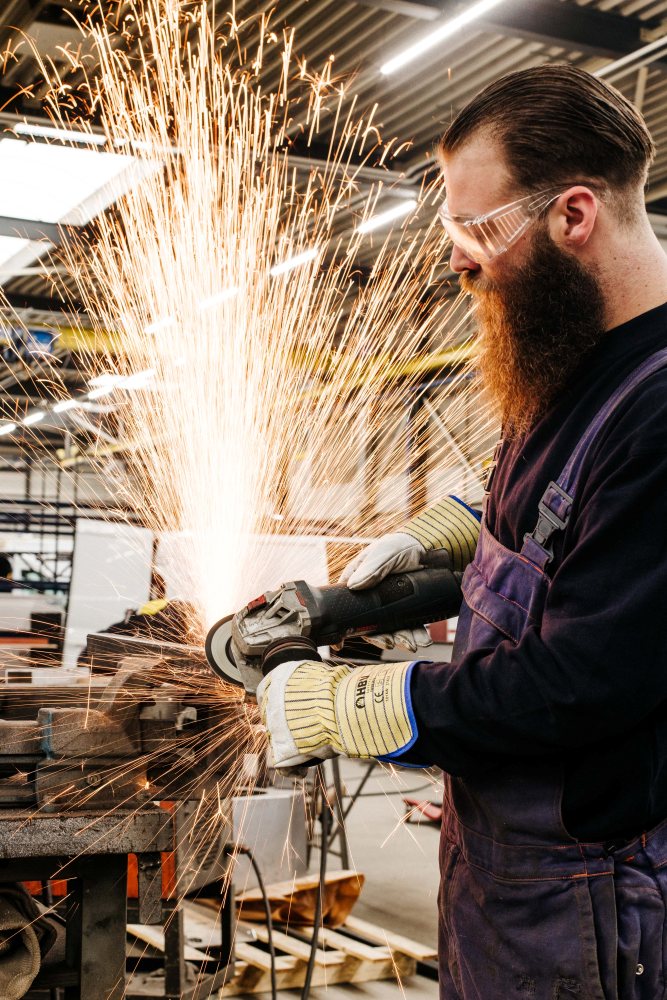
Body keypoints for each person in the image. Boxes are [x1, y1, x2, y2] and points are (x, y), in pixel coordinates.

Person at [258, 64, 667, 998]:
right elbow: (551, 527)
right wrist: (444, 541)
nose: (457, 259)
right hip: (505, 872)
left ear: (572, 216)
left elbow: (581, 686)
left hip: (593, 901)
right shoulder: (570, 363)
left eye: (476, 230)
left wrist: (365, 704)